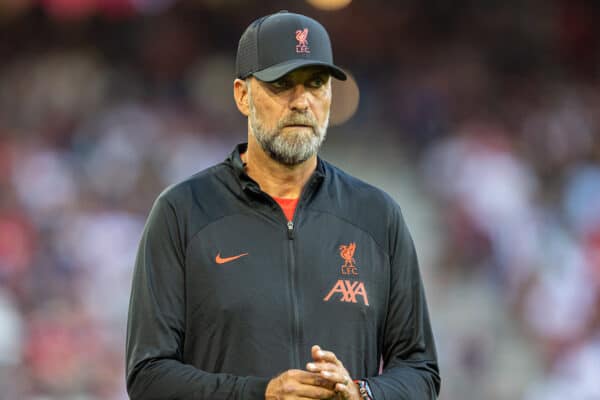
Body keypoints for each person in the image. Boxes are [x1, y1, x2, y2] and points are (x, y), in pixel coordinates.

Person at [126, 10, 440, 400]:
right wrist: (262, 394)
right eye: (282, 84)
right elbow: (148, 376)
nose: (302, 102)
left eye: (316, 83)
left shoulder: (377, 216)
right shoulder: (183, 212)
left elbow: (420, 370)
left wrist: (361, 392)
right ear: (242, 95)